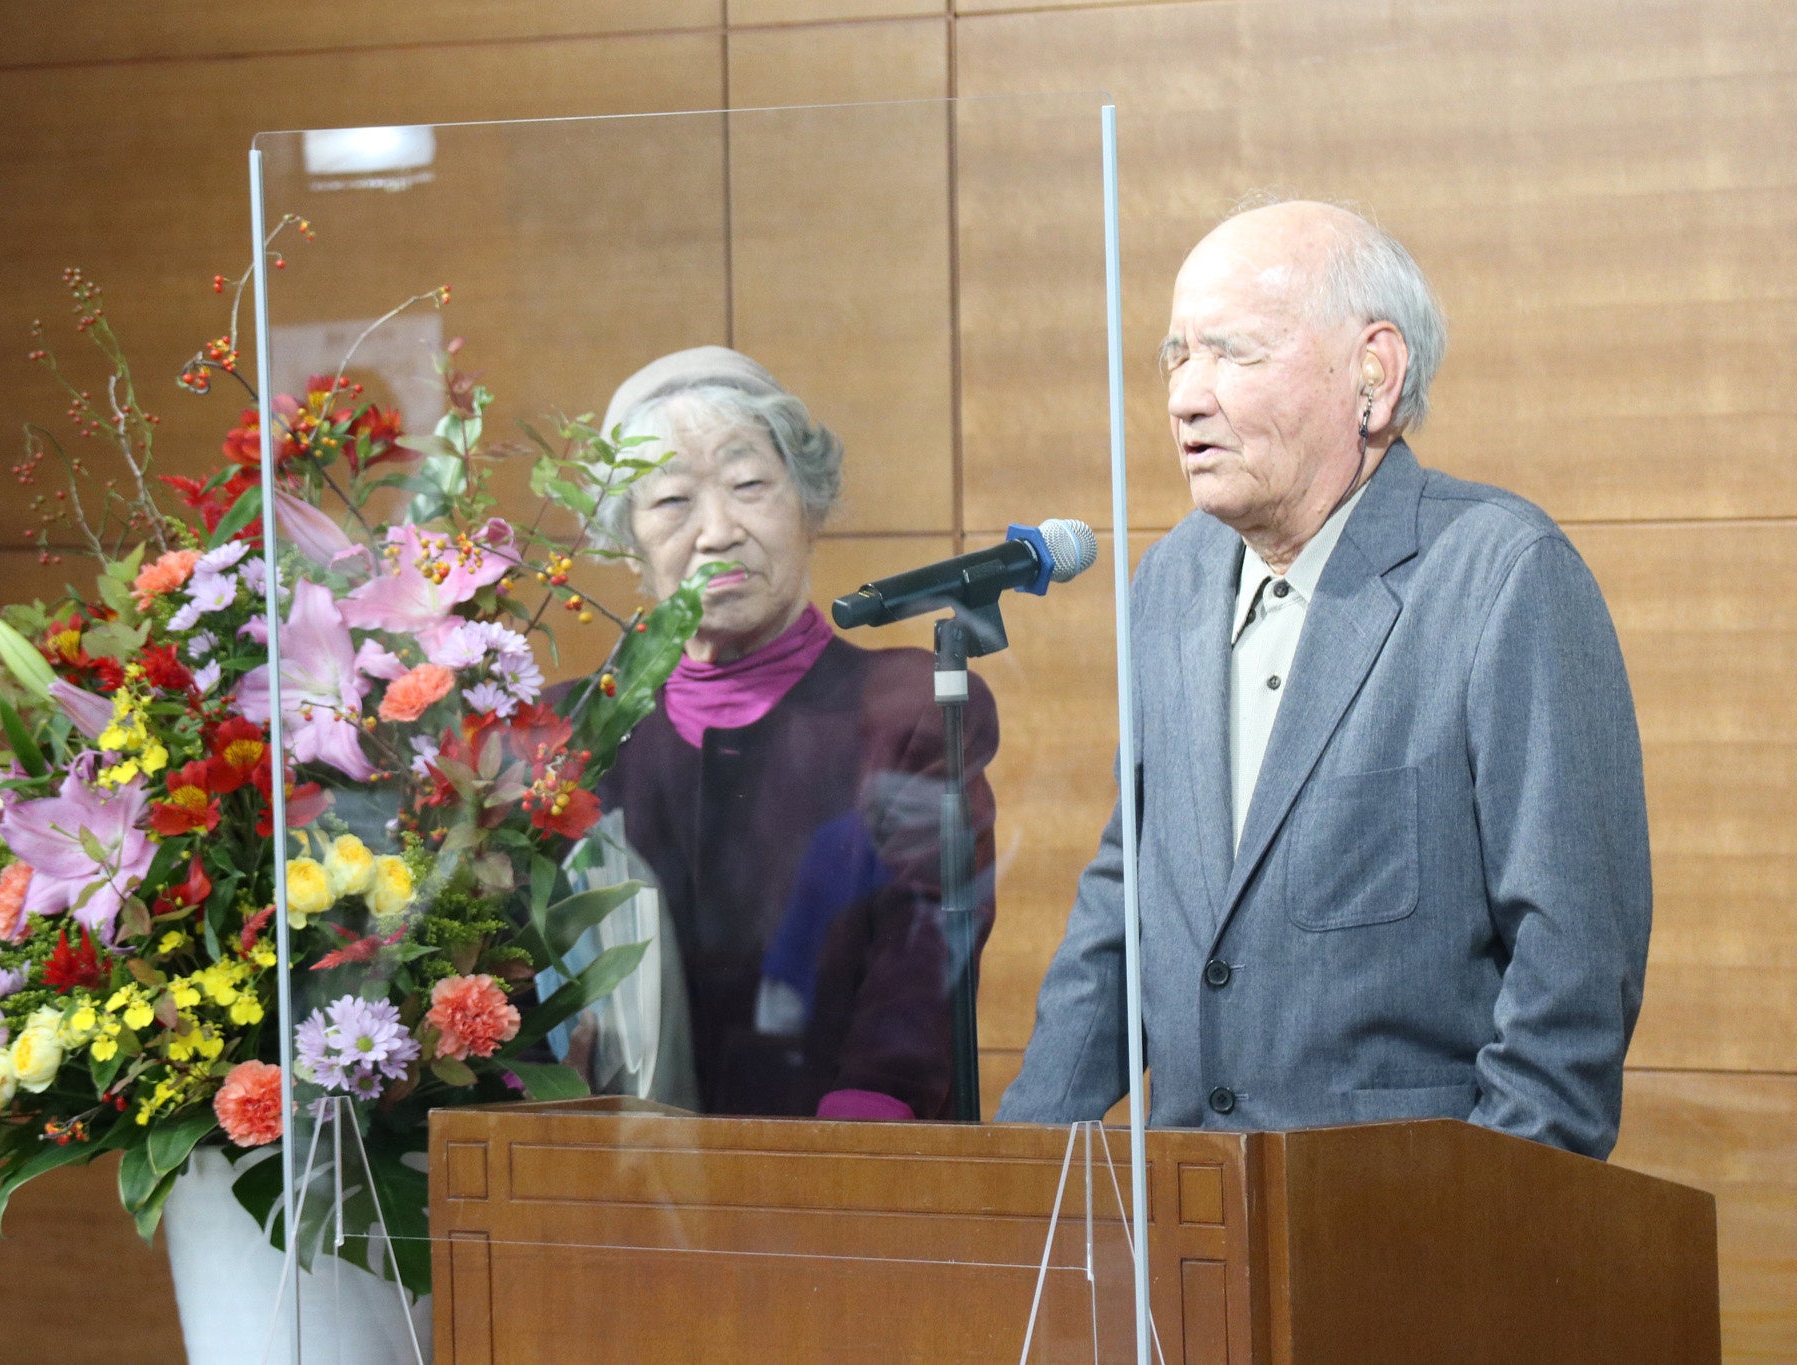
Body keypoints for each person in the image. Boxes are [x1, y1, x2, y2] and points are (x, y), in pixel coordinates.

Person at [997, 201, 1651, 1159]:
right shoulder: (1171, 577)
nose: (1185, 395)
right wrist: (1017, 1173)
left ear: (1372, 378)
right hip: (1193, 1225)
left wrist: (1490, 1214)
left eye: (1233, 352)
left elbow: (1575, 961)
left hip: (1405, 1232)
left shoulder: (1499, 573)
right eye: (1176, 355)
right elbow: (1126, 901)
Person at [580, 346, 1000, 1120]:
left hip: (843, 1173)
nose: (717, 531)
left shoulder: (907, 706)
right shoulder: (572, 738)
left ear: (808, 505)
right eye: (671, 500)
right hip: (618, 1183)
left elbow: (923, 951)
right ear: (627, 538)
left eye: (749, 486)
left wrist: (858, 1134)